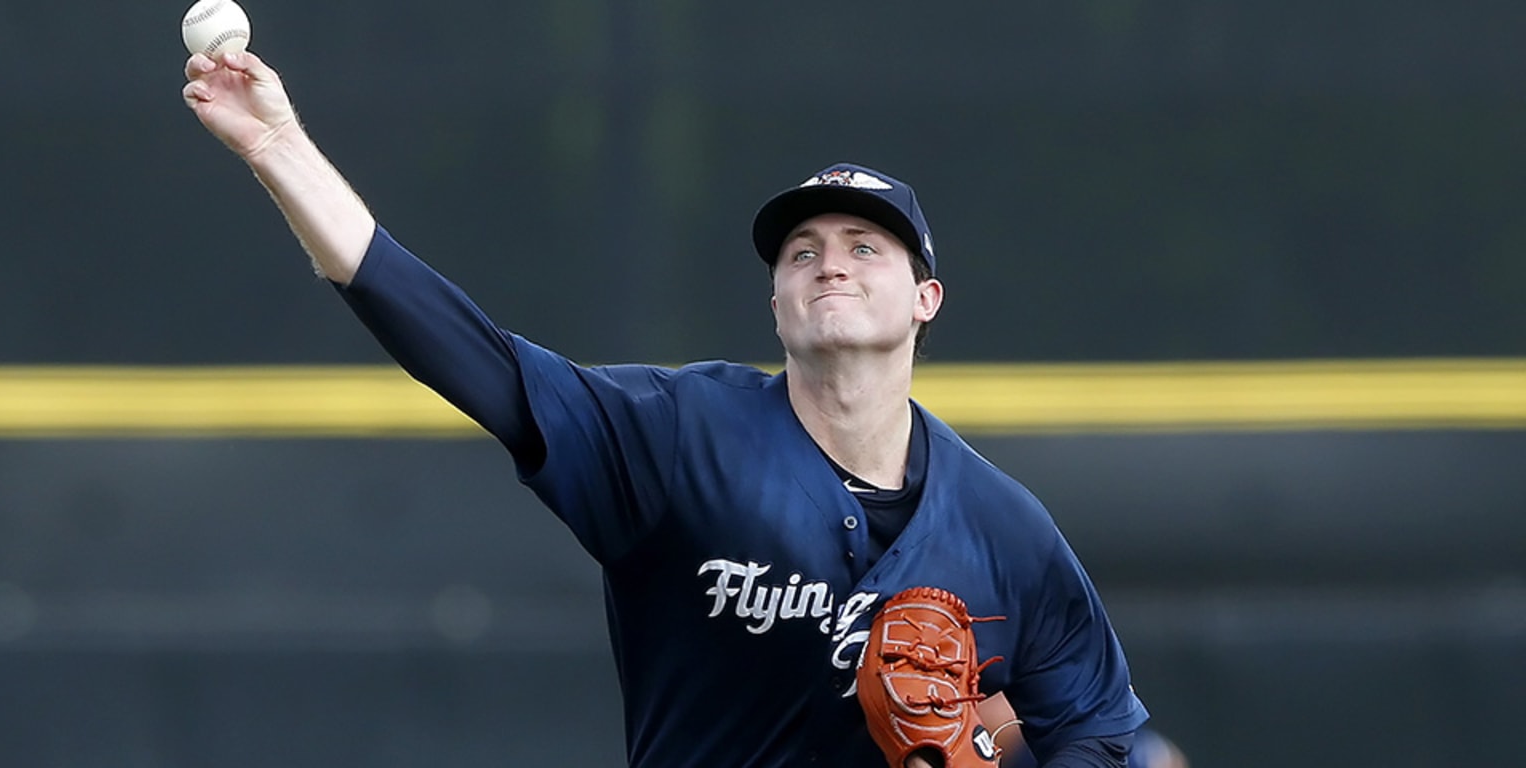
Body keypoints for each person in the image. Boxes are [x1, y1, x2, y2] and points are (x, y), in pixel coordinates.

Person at [182, 50, 1149, 767]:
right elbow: (464, 352)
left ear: (926, 300)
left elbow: (1104, 735)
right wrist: (278, 145)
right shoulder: (678, 436)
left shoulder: (1006, 534)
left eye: (866, 245)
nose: (830, 262)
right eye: (802, 251)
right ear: (775, 303)